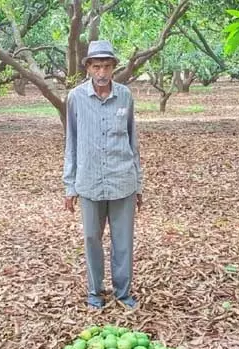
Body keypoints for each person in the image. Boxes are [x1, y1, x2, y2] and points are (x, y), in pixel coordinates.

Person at [63, 40, 143, 309]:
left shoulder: (125, 96)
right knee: (91, 239)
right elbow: (71, 143)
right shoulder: (75, 98)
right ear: (88, 67)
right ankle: (95, 291)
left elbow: (133, 142)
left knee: (123, 241)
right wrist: (70, 186)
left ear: (113, 68)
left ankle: (123, 292)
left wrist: (138, 183)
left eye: (107, 66)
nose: (102, 73)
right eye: (96, 66)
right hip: (89, 182)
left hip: (123, 181)